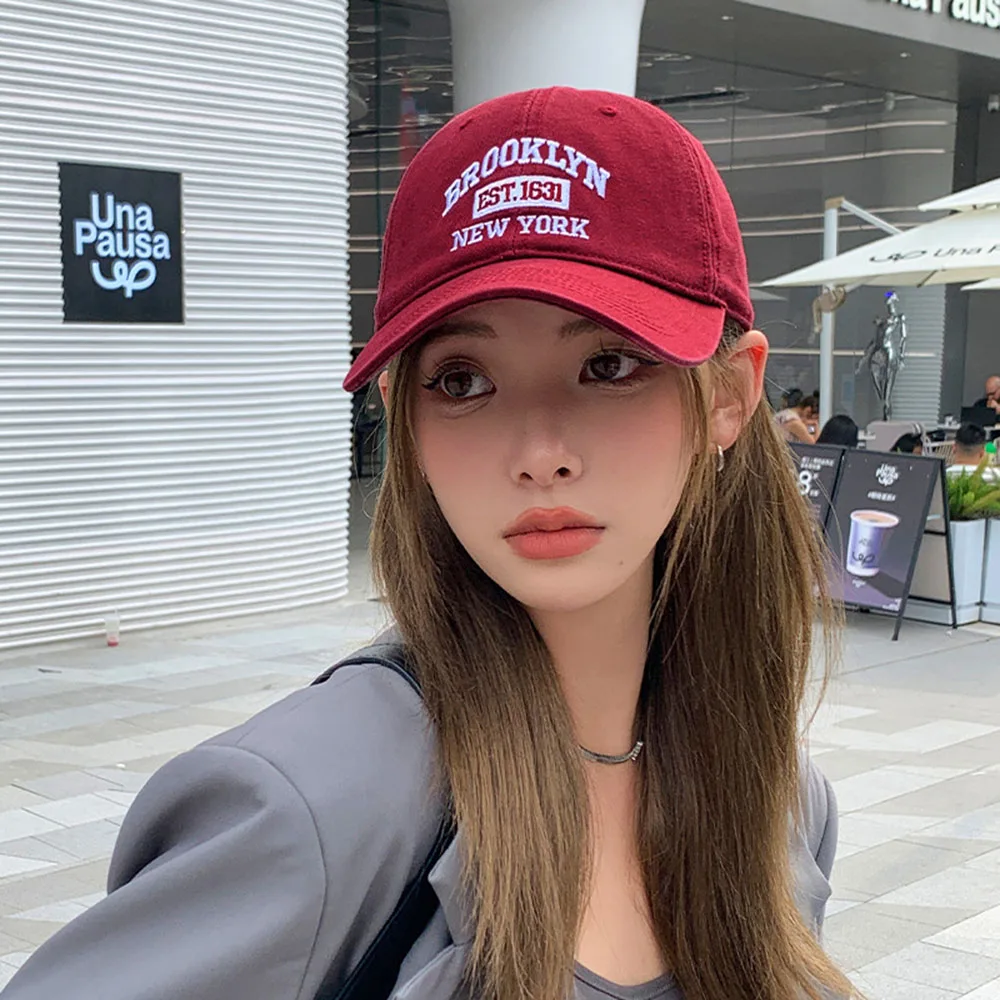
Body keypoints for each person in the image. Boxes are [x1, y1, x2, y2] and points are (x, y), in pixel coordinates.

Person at [3, 88, 851, 1000]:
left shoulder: (782, 804)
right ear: (404, 416)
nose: (540, 454)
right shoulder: (314, 808)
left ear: (728, 396)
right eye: (461, 380)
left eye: (607, 365)